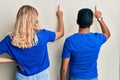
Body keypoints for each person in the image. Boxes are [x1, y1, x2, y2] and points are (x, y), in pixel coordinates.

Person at [0, 5, 64, 80]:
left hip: (22, 77)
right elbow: (61, 33)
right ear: (34, 20)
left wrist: (13, 60)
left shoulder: (9, 40)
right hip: (43, 76)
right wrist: (60, 16)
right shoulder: (43, 35)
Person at [60, 6, 110, 80]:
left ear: (77, 21)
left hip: (75, 77)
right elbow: (107, 33)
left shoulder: (70, 41)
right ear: (92, 23)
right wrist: (99, 18)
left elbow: (64, 68)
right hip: (92, 77)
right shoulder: (97, 39)